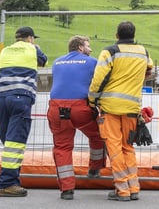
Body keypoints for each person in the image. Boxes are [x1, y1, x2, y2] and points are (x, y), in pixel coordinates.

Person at [88, 21, 153, 202]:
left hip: (110, 107)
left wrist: (92, 100)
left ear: (117, 35)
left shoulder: (110, 52)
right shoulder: (143, 52)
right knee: (128, 147)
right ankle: (134, 187)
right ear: (133, 34)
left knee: (114, 148)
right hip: (132, 108)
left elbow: (98, 78)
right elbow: (150, 70)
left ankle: (122, 189)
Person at [47, 35, 106, 200]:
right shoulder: (92, 61)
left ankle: (67, 189)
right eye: (88, 45)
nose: (90, 49)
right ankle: (94, 169)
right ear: (80, 47)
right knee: (98, 135)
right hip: (80, 108)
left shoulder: (57, 62)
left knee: (62, 148)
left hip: (56, 108)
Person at [0, 26, 47, 197]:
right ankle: (7, 184)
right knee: (15, 142)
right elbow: (43, 60)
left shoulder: (5, 51)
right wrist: (36, 48)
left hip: (2, 98)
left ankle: (10, 178)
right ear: (30, 38)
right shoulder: (33, 49)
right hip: (21, 97)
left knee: (8, 140)